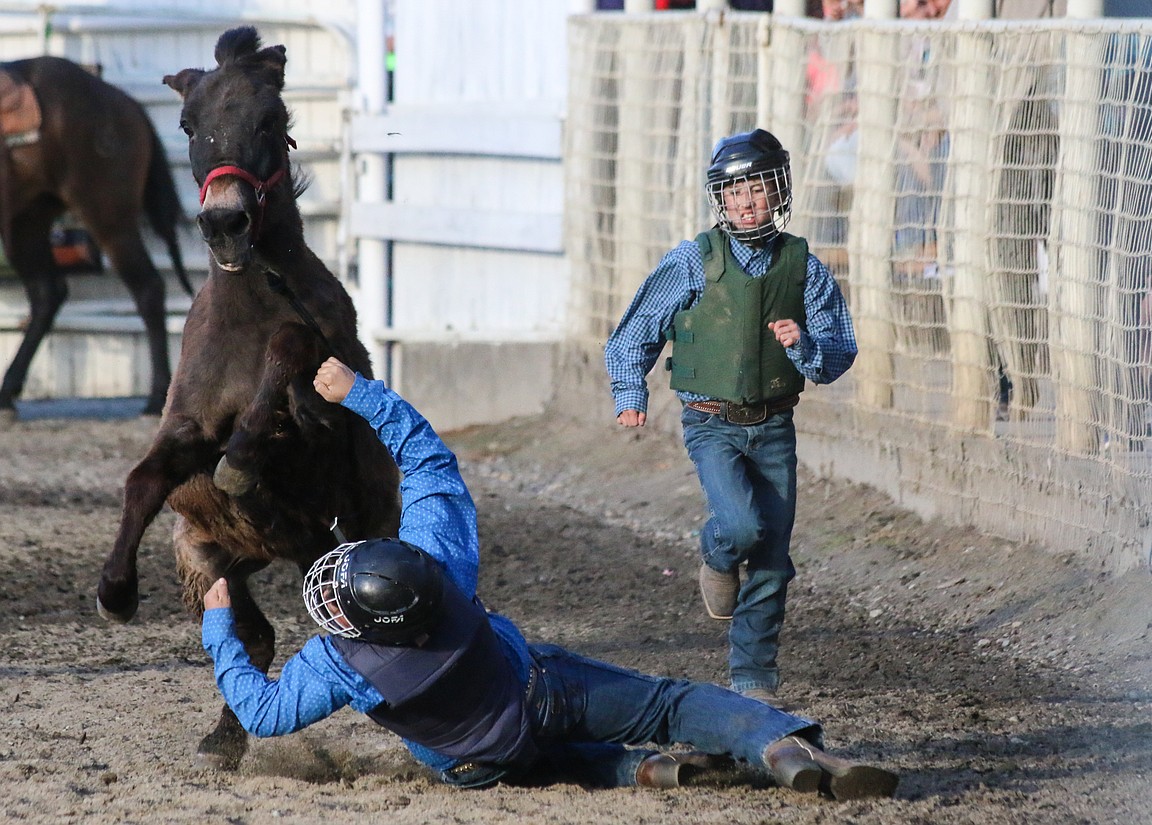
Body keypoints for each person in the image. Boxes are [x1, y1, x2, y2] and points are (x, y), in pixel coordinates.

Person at [200, 357, 897, 798]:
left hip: (474, 765)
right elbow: (428, 460)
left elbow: (260, 712)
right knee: (669, 703)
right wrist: (361, 394)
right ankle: (782, 742)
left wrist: (218, 621)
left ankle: (637, 771)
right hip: (538, 692)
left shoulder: (340, 661)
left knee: (531, 759)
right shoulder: (442, 568)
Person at [603, 129, 857, 707]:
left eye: (758, 188)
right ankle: (716, 554)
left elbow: (837, 354)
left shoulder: (804, 268)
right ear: (720, 197)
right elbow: (634, 331)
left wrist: (802, 345)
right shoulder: (693, 260)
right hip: (710, 421)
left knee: (772, 558)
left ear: (780, 192)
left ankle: (754, 680)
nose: (746, 201)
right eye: (734, 189)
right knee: (742, 527)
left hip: (773, 424)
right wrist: (629, 392)